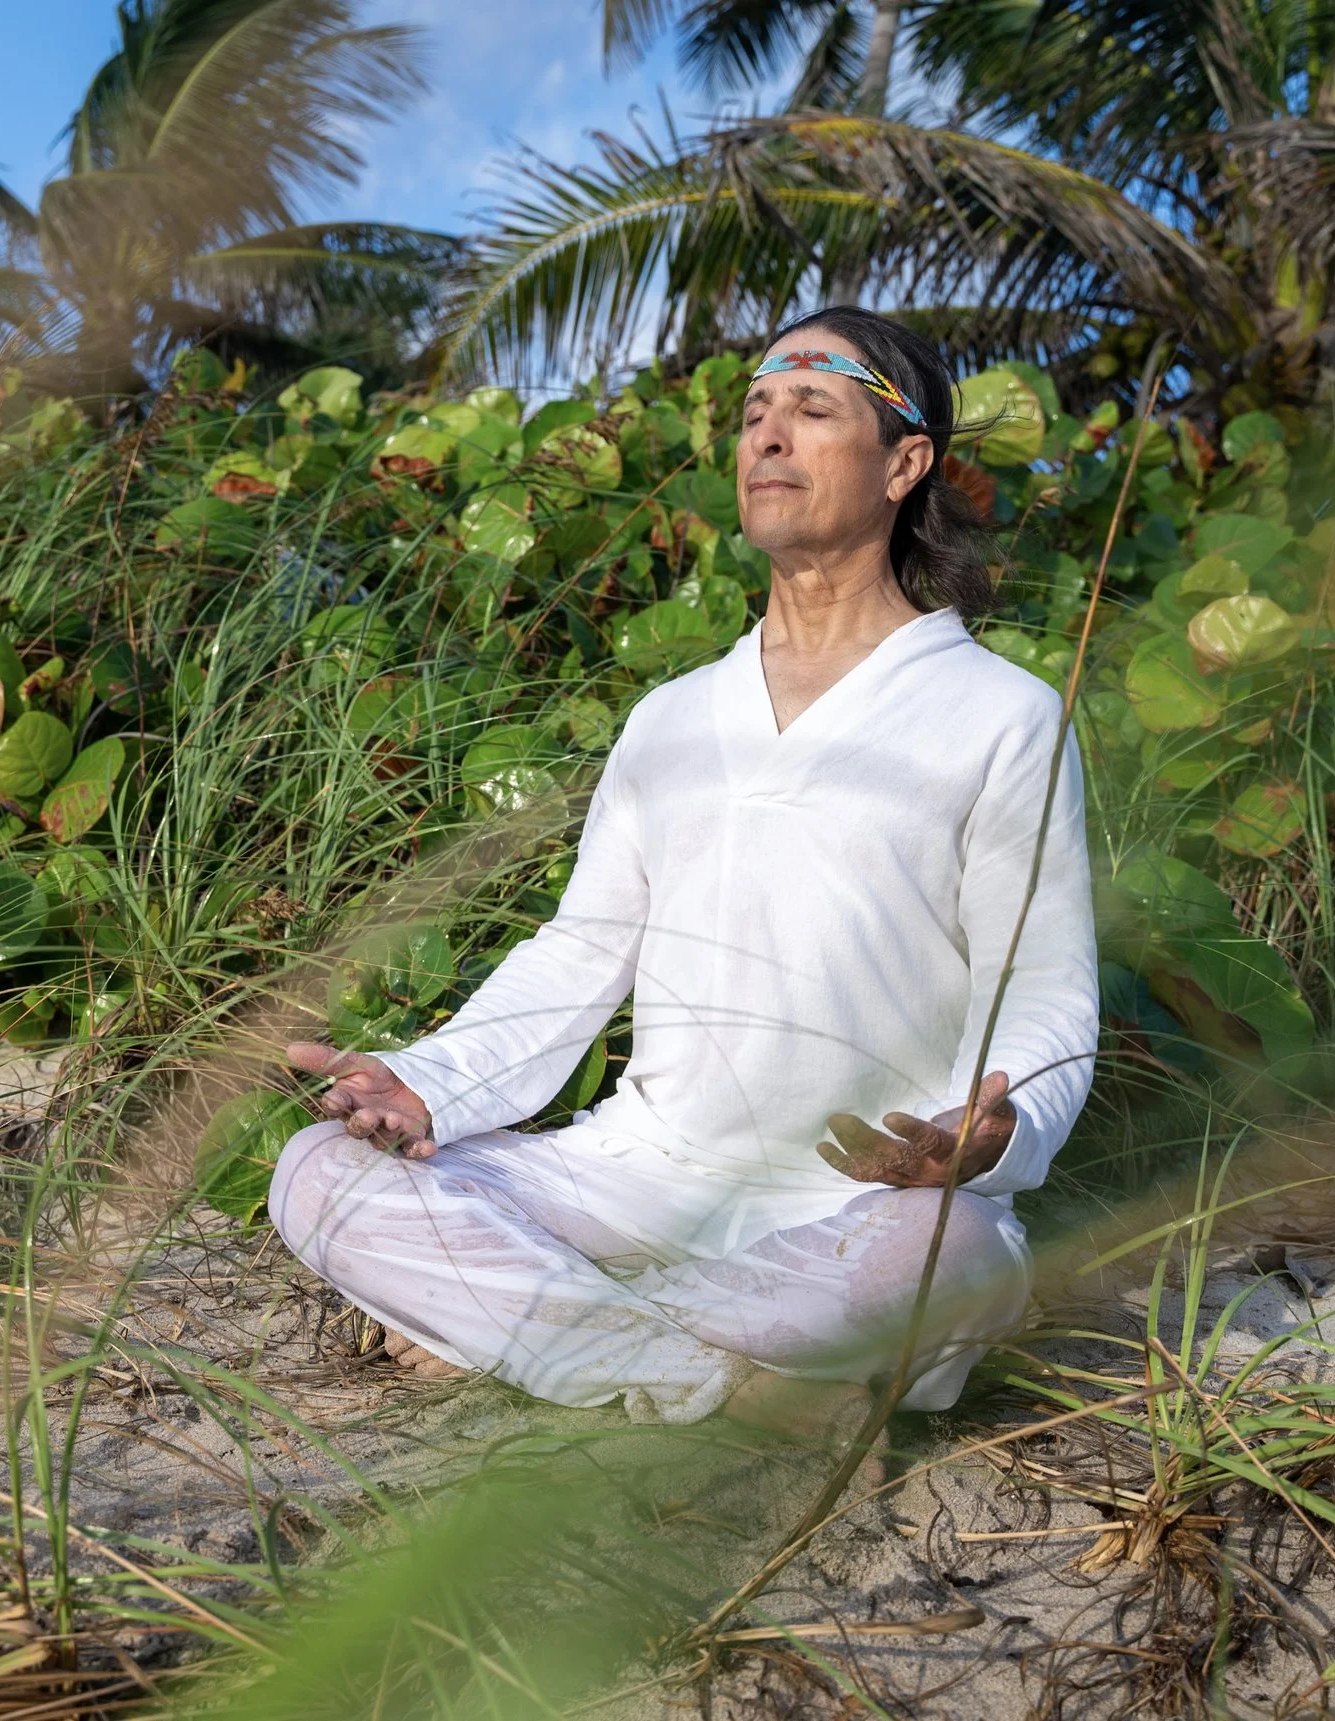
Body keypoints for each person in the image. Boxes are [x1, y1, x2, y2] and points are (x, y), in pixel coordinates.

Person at [268, 305, 1099, 1434]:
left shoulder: (1003, 714)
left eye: (812, 409)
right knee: (320, 1173)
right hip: (633, 1173)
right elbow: (582, 950)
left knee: (961, 1253)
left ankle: (537, 1331)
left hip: (854, 1204)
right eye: (756, 411)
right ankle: (712, 1375)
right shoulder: (669, 716)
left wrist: (996, 1128)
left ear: (906, 462)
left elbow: (1043, 988)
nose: (768, 435)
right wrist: (431, 1082)